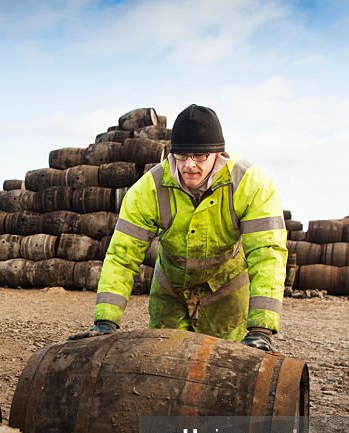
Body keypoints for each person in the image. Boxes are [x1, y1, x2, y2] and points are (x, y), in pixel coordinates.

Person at [70, 104, 287, 351]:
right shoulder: (150, 187)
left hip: (226, 292)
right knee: (160, 363)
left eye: (199, 156)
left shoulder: (250, 184)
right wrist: (105, 320)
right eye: (181, 156)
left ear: (218, 153)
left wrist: (261, 328)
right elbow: (122, 255)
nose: (189, 165)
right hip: (171, 291)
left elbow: (267, 254)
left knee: (220, 367)